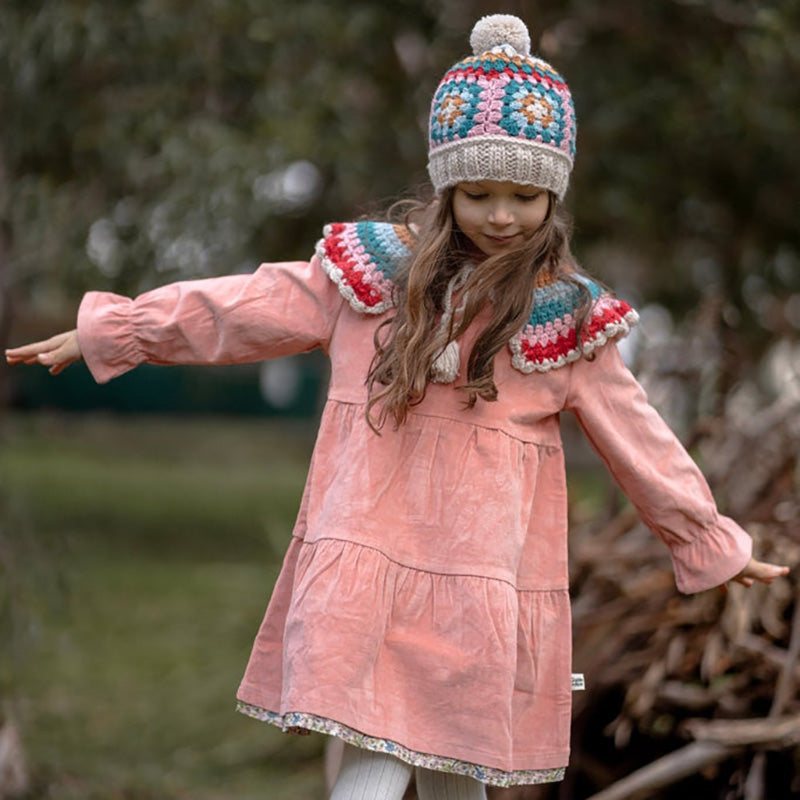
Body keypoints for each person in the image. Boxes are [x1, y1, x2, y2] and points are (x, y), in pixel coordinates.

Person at [5, 14, 789, 800]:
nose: (502, 215)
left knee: (452, 782)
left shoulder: (567, 319)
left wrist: (705, 537)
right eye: (478, 192)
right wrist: (121, 329)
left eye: (526, 195)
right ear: (446, 187)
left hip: (475, 591)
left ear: (555, 193)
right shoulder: (370, 280)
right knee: (372, 778)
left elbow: (638, 437)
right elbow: (244, 306)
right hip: (364, 570)